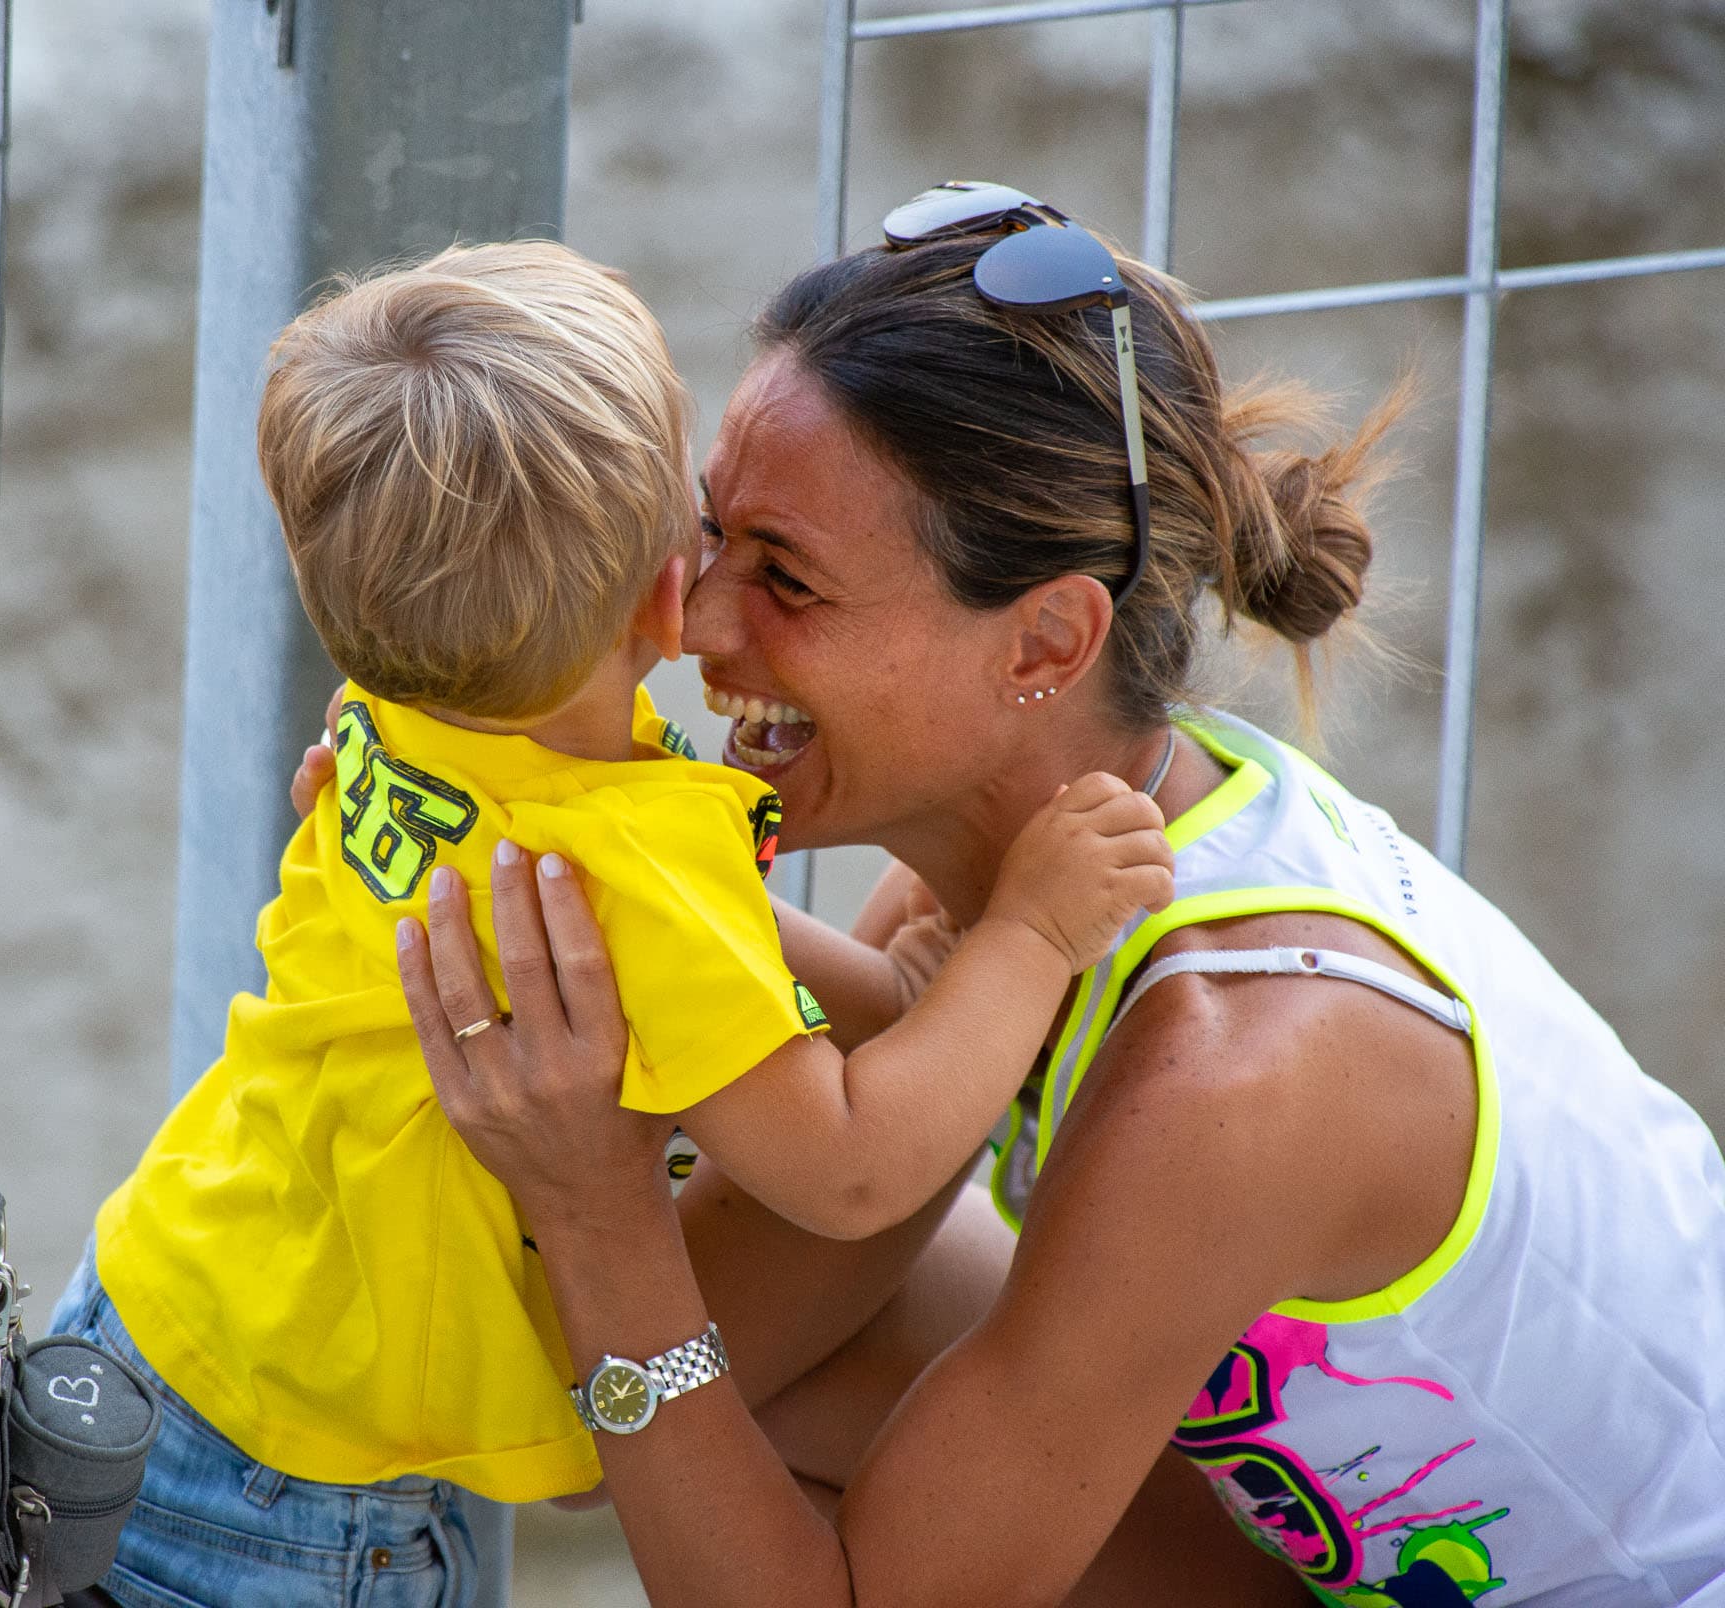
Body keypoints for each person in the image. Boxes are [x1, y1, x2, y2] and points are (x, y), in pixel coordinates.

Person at [391, 185, 1725, 1606]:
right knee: (743, 1402)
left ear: (1045, 639)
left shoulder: (1234, 1071)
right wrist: (531, 852)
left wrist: (597, 1216)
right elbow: (669, 1371)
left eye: (786, 578)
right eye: (717, 535)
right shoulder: (1022, 874)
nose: (696, 621)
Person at [49, 238, 1174, 1608]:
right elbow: (856, 1170)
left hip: (145, 1313)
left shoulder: (388, 719)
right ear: (665, 598)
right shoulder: (627, 858)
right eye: (709, 540)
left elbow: (729, 978)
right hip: (295, 1489)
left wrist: (909, 984)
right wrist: (1034, 939)